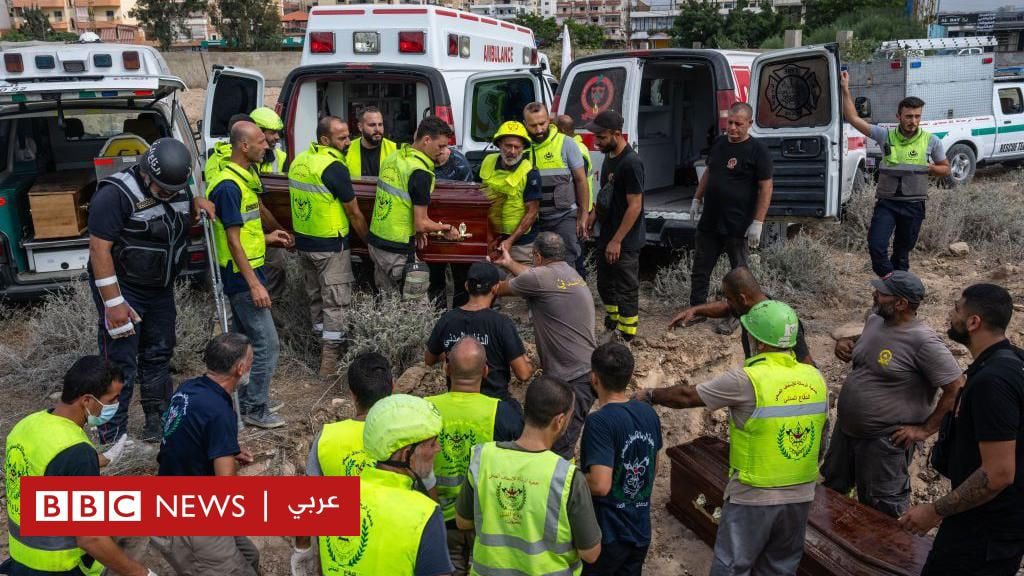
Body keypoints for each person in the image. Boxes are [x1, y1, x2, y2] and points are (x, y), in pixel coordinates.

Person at [641, 301, 827, 575]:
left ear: (759, 342)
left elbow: (687, 396)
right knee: (779, 567)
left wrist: (650, 395)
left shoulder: (748, 379)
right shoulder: (815, 377)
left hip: (754, 496)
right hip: (800, 495)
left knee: (732, 567)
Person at [87, 137, 212, 443]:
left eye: (176, 191)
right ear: (147, 175)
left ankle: (158, 422)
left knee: (158, 355)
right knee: (120, 364)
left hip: (160, 290)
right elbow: (99, 251)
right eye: (164, 190)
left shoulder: (179, 185)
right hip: (125, 290)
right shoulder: (115, 194)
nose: (171, 195)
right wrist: (113, 304)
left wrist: (197, 203)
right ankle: (112, 437)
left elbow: (178, 214)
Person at [901, 284, 1024, 575]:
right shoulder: (1012, 361)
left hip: (982, 532)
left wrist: (934, 511)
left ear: (973, 322)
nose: (949, 313)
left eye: (956, 308)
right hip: (998, 526)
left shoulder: (992, 382)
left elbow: (997, 474)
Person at [822, 271, 963, 517]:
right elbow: (869, 345)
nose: (874, 294)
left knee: (882, 513)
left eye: (882, 293)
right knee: (833, 493)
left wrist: (924, 430)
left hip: (884, 443)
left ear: (900, 304)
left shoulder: (924, 342)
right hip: (846, 433)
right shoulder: (875, 320)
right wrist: (844, 342)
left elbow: (956, 387)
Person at [3, 356, 155, 576]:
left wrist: (102, 459)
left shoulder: (28, 425)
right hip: (59, 566)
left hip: (22, 559)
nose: (115, 406)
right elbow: (90, 538)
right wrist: (139, 573)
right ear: (87, 400)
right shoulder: (76, 451)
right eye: (112, 399)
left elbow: (46, 467)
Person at [455, 375, 602, 574]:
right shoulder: (566, 477)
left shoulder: (483, 458)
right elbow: (590, 553)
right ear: (559, 421)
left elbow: (462, 522)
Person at [209, 121, 294, 429]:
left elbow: (242, 234)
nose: (267, 146)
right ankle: (255, 408)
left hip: (247, 272)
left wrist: (269, 238)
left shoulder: (241, 179)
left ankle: (247, 400)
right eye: (261, 141)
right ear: (243, 146)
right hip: (242, 279)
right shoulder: (229, 186)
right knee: (267, 344)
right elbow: (232, 241)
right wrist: (255, 284)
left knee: (245, 343)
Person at [153, 333, 260, 576]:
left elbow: (185, 434)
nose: (252, 364)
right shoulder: (220, 412)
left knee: (251, 556)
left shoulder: (188, 388)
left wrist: (226, 448)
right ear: (240, 368)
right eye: (251, 360)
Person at [317, 395, 453, 575]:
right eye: (432, 444)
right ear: (405, 454)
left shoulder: (327, 498)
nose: (438, 449)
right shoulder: (425, 515)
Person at [492, 231, 596, 460]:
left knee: (560, 449)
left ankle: (560, 491)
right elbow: (533, 276)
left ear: (537, 255)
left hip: (573, 378)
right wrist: (509, 263)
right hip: (583, 372)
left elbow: (500, 289)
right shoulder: (569, 273)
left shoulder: (539, 279)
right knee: (559, 445)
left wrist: (483, 277)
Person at [425, 337, 524, 575]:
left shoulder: (425, 409)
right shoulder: (503, 414)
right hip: (486, 521)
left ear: (447, 369)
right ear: (486, 371)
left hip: (440, 521)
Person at [290, 352, 395, 575]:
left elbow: (308, 498)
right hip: (392, 545)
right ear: (392, 387)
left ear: (351, 393)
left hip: (338, 554)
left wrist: (303, 549)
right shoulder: (407, 438)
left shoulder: (327, 437)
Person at [840, 71, 951, 278]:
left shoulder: (931, 141)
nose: (913, 121)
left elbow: (946, 168)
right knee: (876, 246)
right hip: (887, 203)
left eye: (917, 116)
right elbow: (853, 118)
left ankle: (896, 294)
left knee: (901, 254)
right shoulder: (885, 135)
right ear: (898, 116)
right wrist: (845, 89)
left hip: (914, 205)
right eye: (909, 116)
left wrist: (929, 169)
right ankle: (890, 281)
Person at [289, 116, 369, 379]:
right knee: (336, 303)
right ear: (325, 140)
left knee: (316, 299)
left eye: (348, 136)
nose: (348, 142)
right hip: (330, 246)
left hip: (304, 244)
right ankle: (329, 363)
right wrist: (368, 242)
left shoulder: (299, 161)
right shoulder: (334, 167)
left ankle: (318, 349)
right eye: (342, 138)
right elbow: (354, 213)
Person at [688, 102, 773, 334]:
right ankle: (696, 310)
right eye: (730, 123)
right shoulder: (719, 144)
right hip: (710, 221)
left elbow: (766, 187)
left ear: (749, 124)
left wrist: (758, 222)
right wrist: (697, 198)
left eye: (738, 124)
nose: (733, 128)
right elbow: (709, 172)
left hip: (737, 225)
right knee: (701, 268)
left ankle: (737, 316)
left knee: (739, 276)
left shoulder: (758, 151)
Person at [580, 342, 661, 576]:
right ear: (629, 376)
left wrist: (569, 478)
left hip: (609, 533)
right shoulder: (648, 413)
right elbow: (654, 467)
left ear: (594, 378)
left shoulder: (599, 422)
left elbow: (599, 484)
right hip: (640, 527)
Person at [367, 116, 462, 296]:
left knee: (389, 304)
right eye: (441, 146)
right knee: (417, 308)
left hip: (376, 242)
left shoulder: (394, 157)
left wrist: (418, 230)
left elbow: (399, 200)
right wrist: (447, 228)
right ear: (427, 140)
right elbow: (422, 223)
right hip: (397, 249)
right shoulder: (420, 173)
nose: (443, 151)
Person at [425, 262, 534, 410]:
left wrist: (451, 353)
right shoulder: (501, 324)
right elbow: (523, 374)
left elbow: (429, 359)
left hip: (457, 405)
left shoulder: (447, 319)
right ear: (495, 288)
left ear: (466, 286)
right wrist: (528, 363)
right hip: (495, 407)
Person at [669, 266, 815, 365]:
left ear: (742, 299)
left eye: (729, 298)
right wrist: (695, 310)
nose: (727, 302)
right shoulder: (749, 308)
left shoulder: (781, 320)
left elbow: (806, 363)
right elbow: (726, 308)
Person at [585, 110, 645, 343]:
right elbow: (607, 194)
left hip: (625, 240)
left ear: (617, 134)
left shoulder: (631, 164)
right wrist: (594, 214)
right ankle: (613, 322)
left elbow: (635, 206)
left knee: (625, 286)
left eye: (600, 137)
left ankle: (627, 335)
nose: (595, 142)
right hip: (607, 233)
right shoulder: (610, 157)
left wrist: (617, 240)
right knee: (604, 283)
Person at [522, 102, 590, 275]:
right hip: (536, 221)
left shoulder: (566, 144)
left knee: (569, 263)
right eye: (533, 125)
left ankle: (575, 299)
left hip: (564, 216)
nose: (538, 129)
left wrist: (583, 214)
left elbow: (581, 180)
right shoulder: (522, 148)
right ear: (525, 124)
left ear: (549, 120)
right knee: (540, 268)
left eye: (542, 123)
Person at [479, 121, 542, 265]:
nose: (512, 151)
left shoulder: (530, 173)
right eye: (508, 146)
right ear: (500, 144)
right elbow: (478, 199)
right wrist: (488, 237)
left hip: (520, 242)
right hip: (490, 238)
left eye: (517, 147)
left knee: (519, 282)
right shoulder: (487, 162)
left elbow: (531, 213)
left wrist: (510, 241)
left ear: (523, 148)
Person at [250, 106, 291, 306]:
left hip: (270, 226)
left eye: (278, 132)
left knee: (277, 267)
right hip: (246, 229)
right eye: (271, 132)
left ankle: (272, 308)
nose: (276, 137)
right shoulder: (235, 159)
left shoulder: (281, 157)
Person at [428, 145, 475, 309]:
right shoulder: (422, 161)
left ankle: (459, 313)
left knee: (461, 276)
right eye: (437, 146)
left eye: (443, 147)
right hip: (431, 226)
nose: (440, 151)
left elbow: (469, 196)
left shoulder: (459, 163)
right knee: (435, 277)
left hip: (458, 226)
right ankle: (436, 316)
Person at [345, 106, 398, 179]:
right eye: (372, 125)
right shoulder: (347, 149)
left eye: (380, 124)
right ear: (360, 127)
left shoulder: (395, 149)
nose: (377, 129)